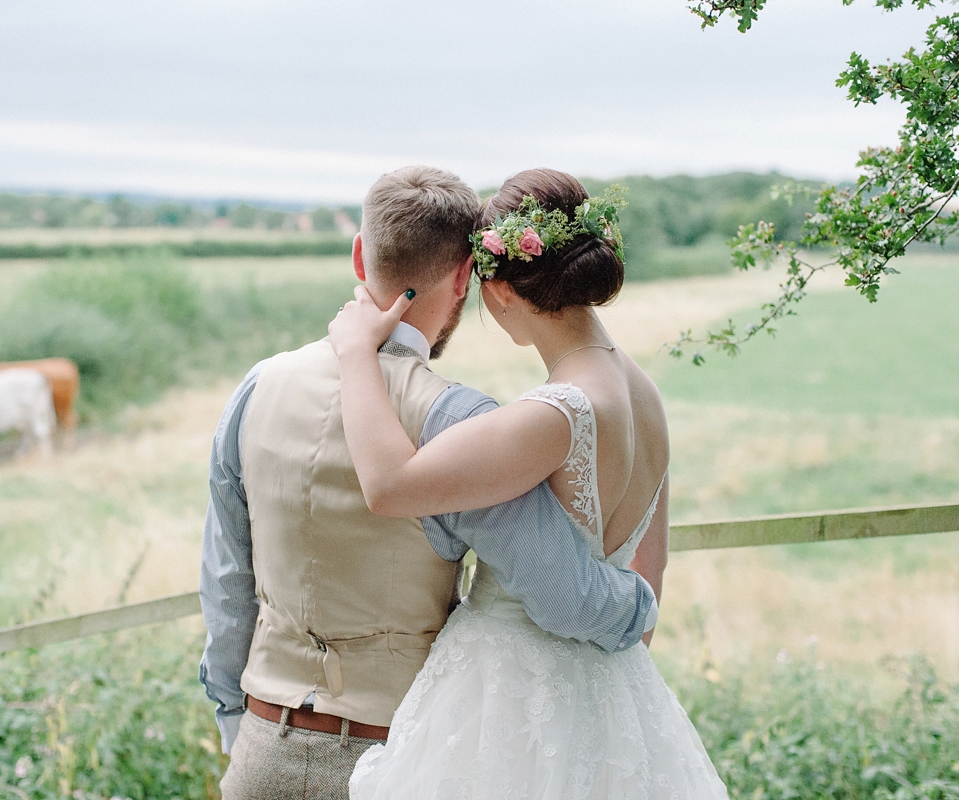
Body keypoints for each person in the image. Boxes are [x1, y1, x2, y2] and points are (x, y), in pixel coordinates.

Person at [199, 166, 658, 800]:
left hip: (259, 748)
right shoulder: (459, 420)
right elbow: (566, 593)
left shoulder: (257, 387)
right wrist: (642, 607)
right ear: (466, 278)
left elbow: (227, 581)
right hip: (398, 758)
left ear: (361, 256)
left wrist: (235, 722)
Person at [330, 168, 729, 798]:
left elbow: (388, 484)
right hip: (615, 689)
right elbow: (647, 581)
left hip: (507, 691)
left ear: (506, 291)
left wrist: (355, 353)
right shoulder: (644, 395)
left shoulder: (557, 411)